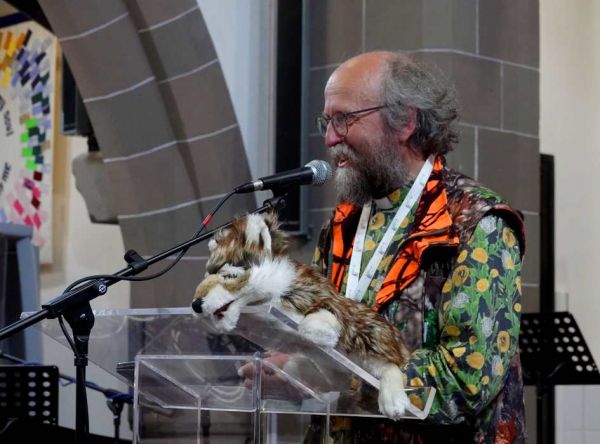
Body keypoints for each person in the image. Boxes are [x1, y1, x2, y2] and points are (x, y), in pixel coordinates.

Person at [309, 51, 527, 443]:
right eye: (326, 121)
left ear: (405, 121)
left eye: (344, 119)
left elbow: (466, 378)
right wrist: (291, 369)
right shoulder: (342, 227)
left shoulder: (476, 224)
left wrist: (344, 376)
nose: (329, 138)